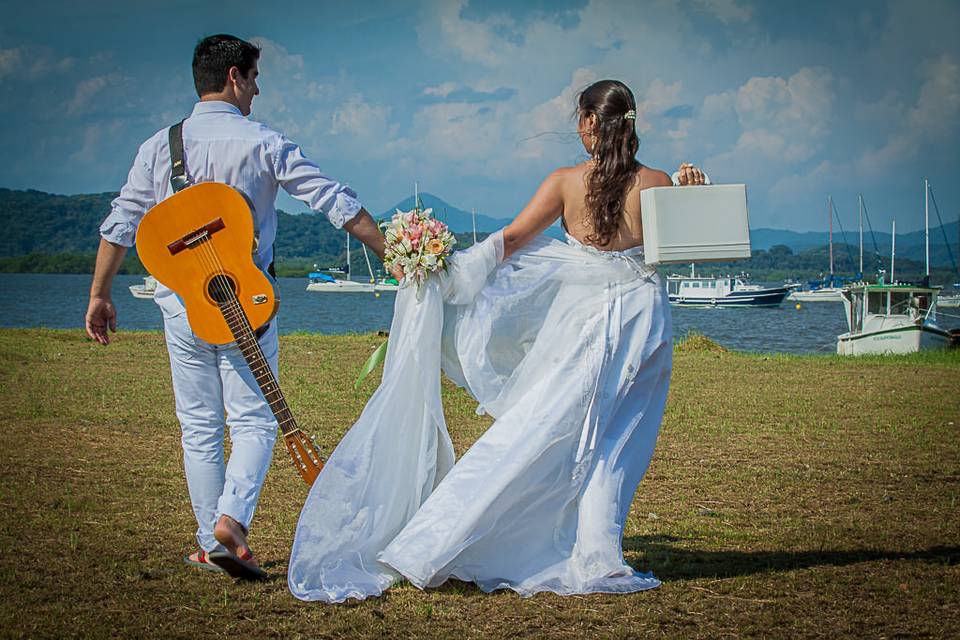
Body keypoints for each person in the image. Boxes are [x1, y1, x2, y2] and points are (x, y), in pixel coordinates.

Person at [287, 78, 704, 601]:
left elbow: (509, 241)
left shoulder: (564, 182)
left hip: (583, 323)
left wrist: (444, 269)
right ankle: (591, 551)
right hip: (641, 322)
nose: (578, 128)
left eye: (580, 118)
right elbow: (685, 246)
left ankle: (459, 538)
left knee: (538, 427)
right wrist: (692, 194)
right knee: (619, 440)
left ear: (591, 123)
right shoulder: (656, 182)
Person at [84, 34, 391, 580]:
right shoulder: (264, 143)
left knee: (198, 425)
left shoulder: (159, 146)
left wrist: (99, 294)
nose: (257, 89)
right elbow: (333, 201)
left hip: (182, 305)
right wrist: (395, 253)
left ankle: (209, 543)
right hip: (248, 304)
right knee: (253, 422)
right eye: (253, 77)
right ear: (234, 76)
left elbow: (121, 222)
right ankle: (232, 520)